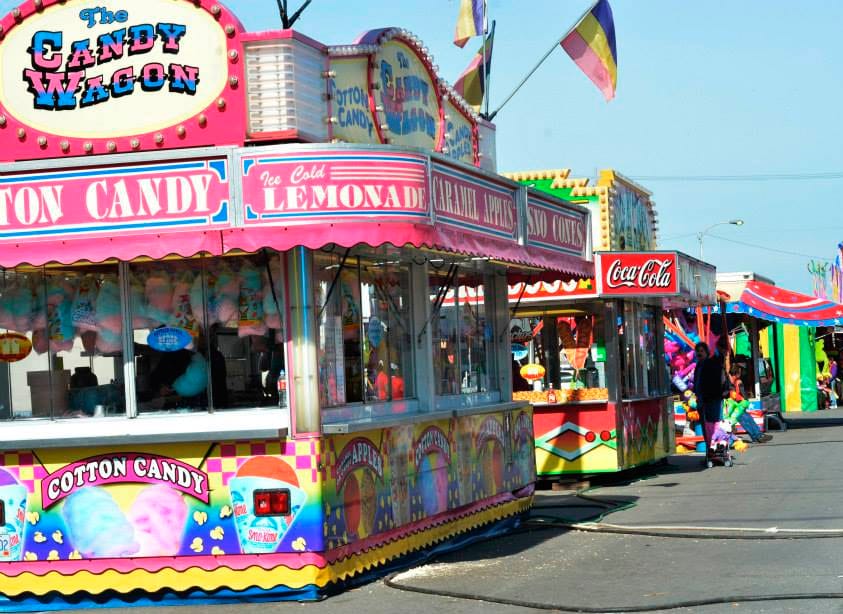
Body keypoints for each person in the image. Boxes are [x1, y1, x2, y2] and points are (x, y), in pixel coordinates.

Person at [694, 342, 726, 458]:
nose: (699, 353)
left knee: (714, 425)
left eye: (701, 351)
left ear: (707, 352)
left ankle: (717, 451)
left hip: (711, 399)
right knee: (705, 427)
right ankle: (710, 452)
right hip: (702, 400)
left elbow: (714, 381)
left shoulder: (711, 363)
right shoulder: (699, 365)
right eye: (697, 351)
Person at [730, 364, 772, 443]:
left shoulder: (731, 380)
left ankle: (756, 436)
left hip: (733, 405)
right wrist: (746, 400)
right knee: (747, 420)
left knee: (746, 420)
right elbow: (742, 392)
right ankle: (758, 436)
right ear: (737, 372)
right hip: (738, 404)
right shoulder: (738, 381)